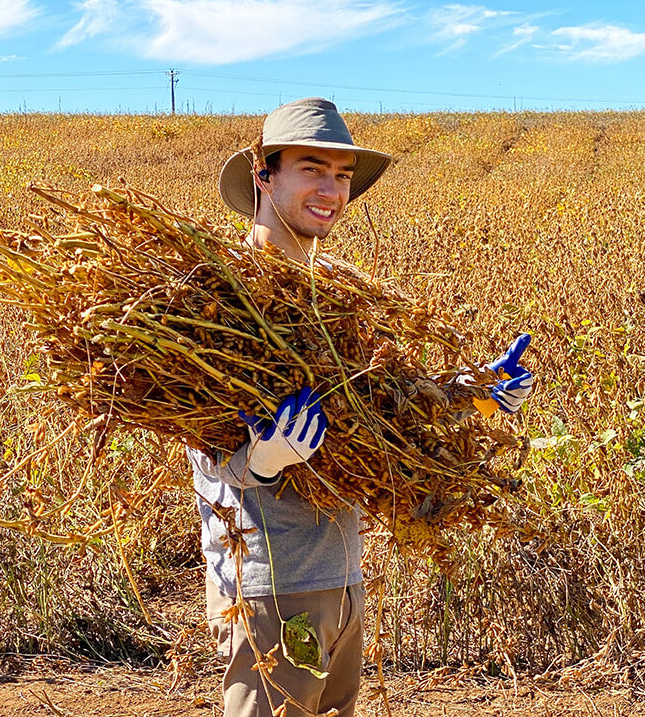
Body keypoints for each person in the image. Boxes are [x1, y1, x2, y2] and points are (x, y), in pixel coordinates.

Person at [187, 97, 533, 717]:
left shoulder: (331, 290)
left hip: (340, 577)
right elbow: (192, 418)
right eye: (312, 169)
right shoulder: (220, 288)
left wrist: (471, 391)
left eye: (343, 175)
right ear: (265, 174)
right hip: (269, 584)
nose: (332, 189)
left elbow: (378, 402)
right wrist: (261, 462)